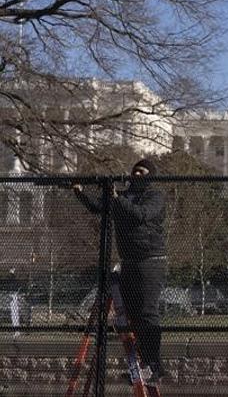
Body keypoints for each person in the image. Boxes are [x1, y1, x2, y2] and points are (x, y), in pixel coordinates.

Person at [73, 159, 167, 382]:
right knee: (132, 315)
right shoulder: (123, 197)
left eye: (142, 172)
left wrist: (116, 198)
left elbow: (140, 215)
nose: (136, 175)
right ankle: (144, 363)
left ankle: (154, 365)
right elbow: (99, 207)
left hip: (150, 261)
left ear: (151, 176)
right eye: (134, 171)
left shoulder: (155, 197)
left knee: (147, 313)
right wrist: (79, 191)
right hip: (129, 262)